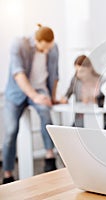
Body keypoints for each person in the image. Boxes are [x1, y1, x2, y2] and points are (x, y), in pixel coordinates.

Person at [3, 24, 59, 184]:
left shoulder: (53, 47)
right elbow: (18, 74)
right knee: (11, 130)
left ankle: (50, 157)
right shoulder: (19, 44)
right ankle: (8, 173)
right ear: (37, 41)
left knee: (45, 114)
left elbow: (55, 74)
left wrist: (52, 97)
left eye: (50, 47)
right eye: (44, 48)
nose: (47, 51)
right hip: (16, 93)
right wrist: (33, 96)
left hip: (40, 90)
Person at [59, 55, 106, 127]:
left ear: (89, 68)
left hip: (98, 120)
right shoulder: (75, 80)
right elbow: (67, 94)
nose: (79, 74)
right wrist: (65, 98)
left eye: (82, 71)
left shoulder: (103, 81)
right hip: (80, 121)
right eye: (77, 71)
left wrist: (95, 100)